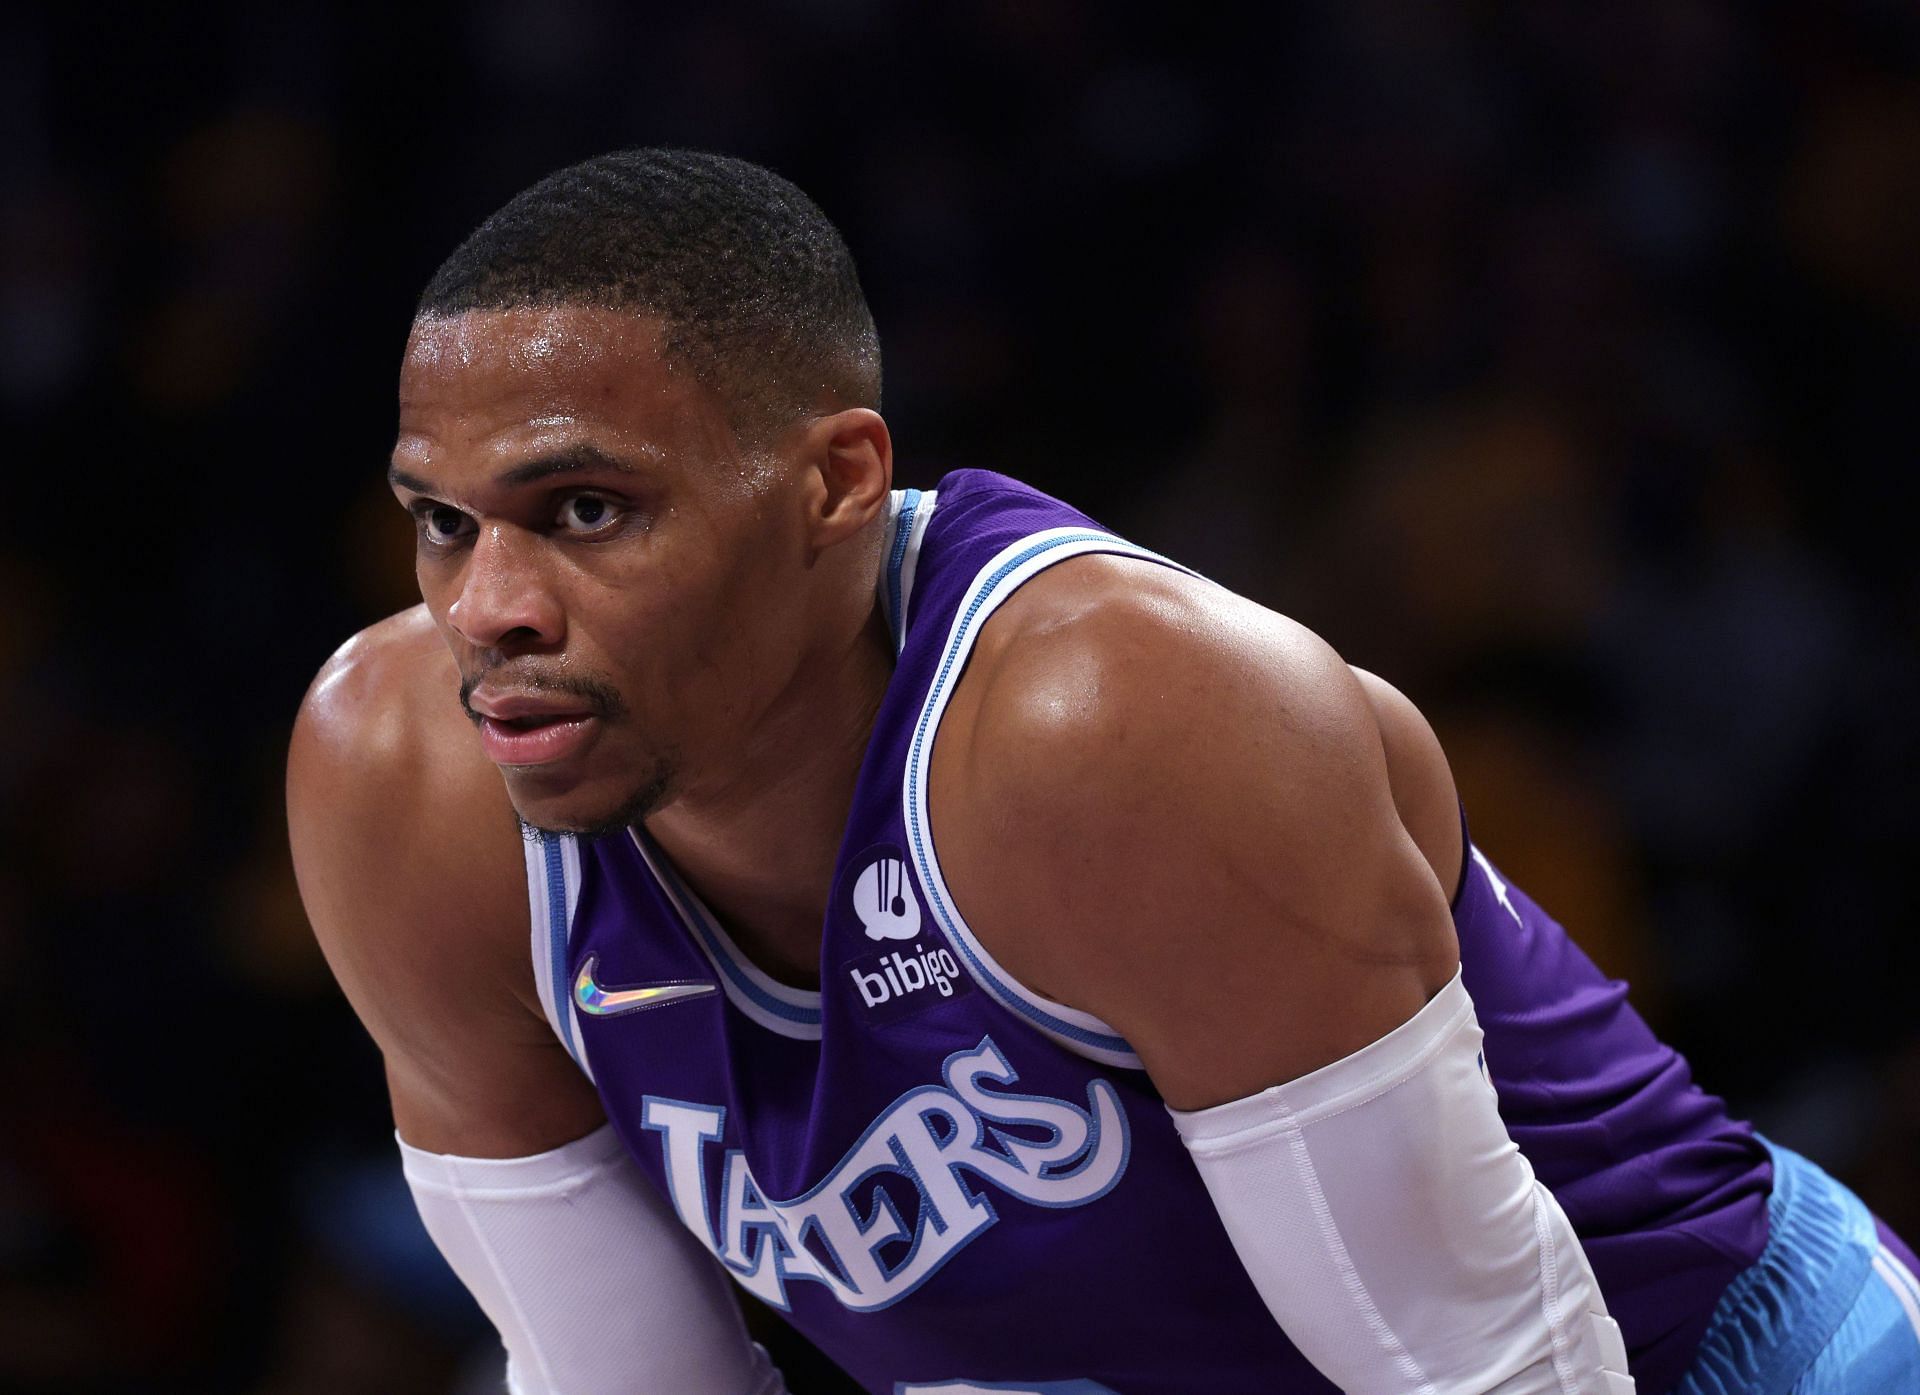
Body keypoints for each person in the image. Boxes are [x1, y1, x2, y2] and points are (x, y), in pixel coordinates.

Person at [286, 148, 1920, 1395]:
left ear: (835, 484)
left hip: (1685, 1357)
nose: (488, 607)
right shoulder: (403, 780)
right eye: (446, 519)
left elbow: (1489, 1365)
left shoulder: (1110, 728)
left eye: (585, 511)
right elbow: (628, 1380)